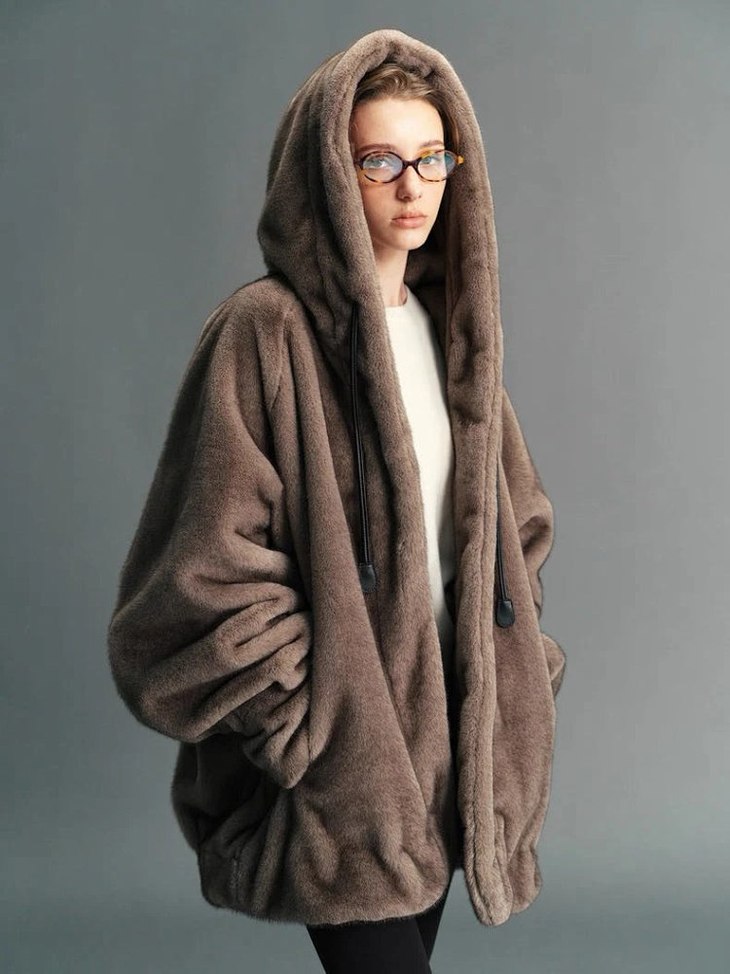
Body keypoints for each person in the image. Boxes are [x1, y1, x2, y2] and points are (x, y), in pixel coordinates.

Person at [107, 27, 567, 972]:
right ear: (328, 174)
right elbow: (197, 576)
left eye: (432, 158)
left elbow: (513, 530)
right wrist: (312, 727)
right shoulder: (263, 334)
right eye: (380, 160)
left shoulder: (453, 340)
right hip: (346, 772)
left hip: (453, 755)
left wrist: (520, 675)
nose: (413, 186)